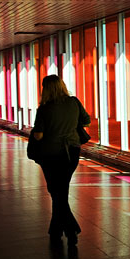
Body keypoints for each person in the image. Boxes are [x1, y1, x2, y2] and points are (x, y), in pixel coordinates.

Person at [31, 75, 90, 246]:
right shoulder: (74, 102)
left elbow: (39, 134)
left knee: (56, 191)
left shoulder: (44, 109)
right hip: (72, 151)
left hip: (50, 153)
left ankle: (70, 230)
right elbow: (86, 120)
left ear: (45, 89)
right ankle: (56, 229)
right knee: (60, 190)